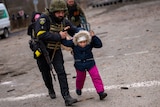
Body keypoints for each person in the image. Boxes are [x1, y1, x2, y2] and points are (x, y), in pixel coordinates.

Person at [32, 0, 80, 106]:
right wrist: (58, 36)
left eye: (62, 12)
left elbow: (74, 29)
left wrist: (83, 34)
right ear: (53, 11)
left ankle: (67, 97)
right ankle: (50, 89)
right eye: (58, 12)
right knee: (46, 73)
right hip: (42, 51)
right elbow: (41, 35)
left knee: (61, 72)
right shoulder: (44, 19)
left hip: (55, 50)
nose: (61, 14)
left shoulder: (63, 20)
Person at [62, 30, 107, 100]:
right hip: (79, 64)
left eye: (84, 42)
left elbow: (99, 45)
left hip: (90, 63)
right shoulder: (73, 44)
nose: (83, 44)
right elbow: (65, 43)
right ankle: (79, 88)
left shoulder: (89, 43)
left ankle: (101, 92)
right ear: (77, 42)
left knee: (96, 76)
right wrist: (63, 36)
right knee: (80, 78)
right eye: (80, 42)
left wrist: (94, 37)